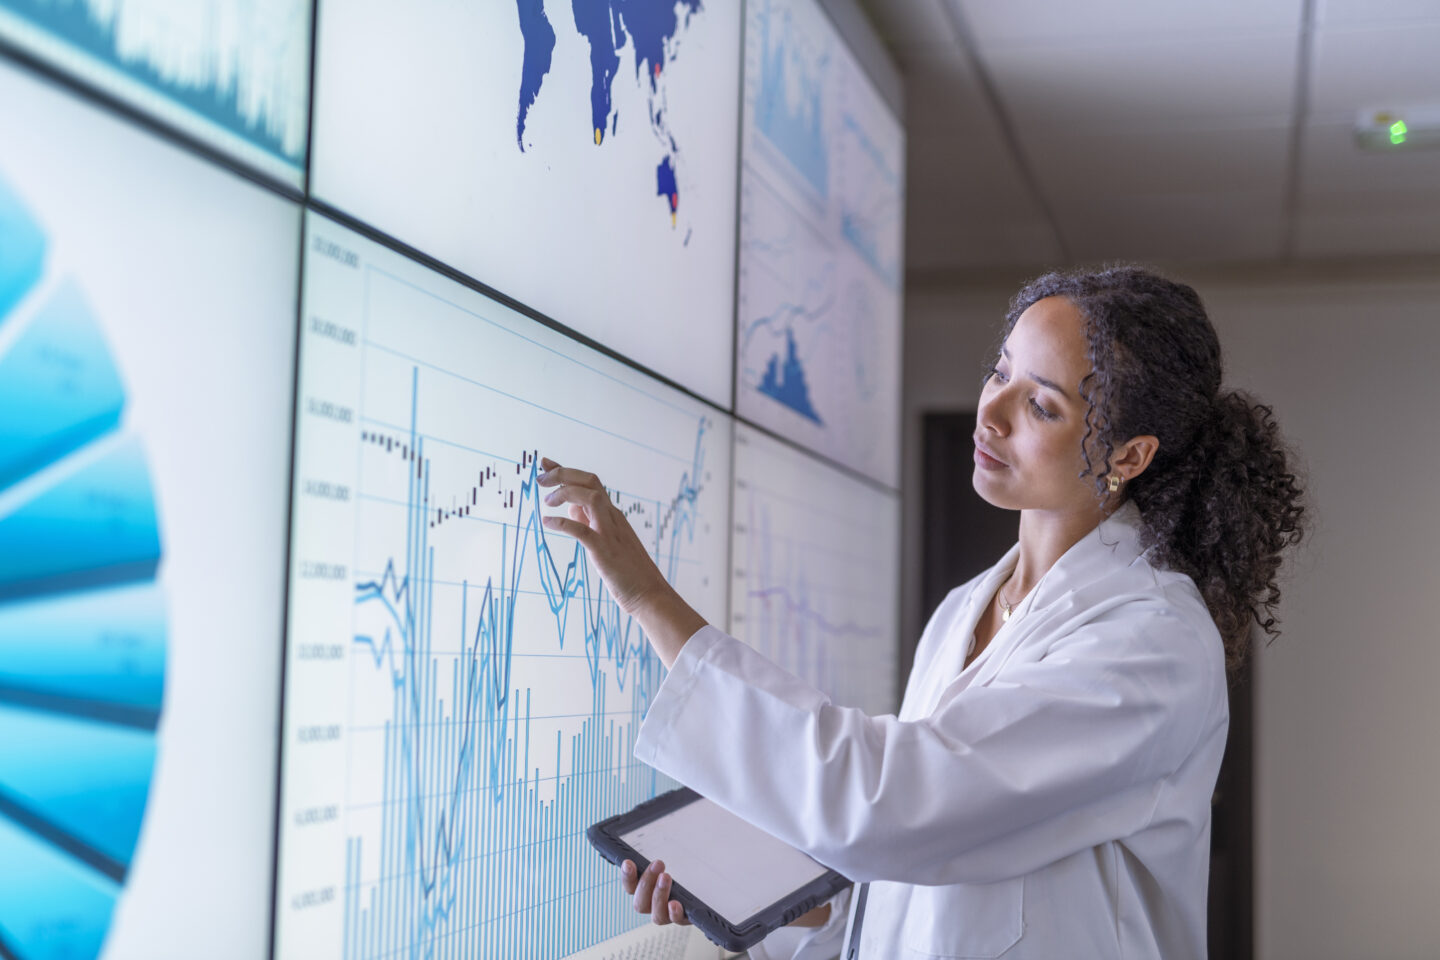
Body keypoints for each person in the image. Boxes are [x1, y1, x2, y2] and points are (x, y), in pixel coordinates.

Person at [538, 266, 1305, 959]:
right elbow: (917, 886)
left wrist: (648, 599)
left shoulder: (1152, 640)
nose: (992, 413)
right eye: (999, 373)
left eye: (1039, 404)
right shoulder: (963, 613)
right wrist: (767, 907)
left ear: (1128, 457)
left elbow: (891, 805)